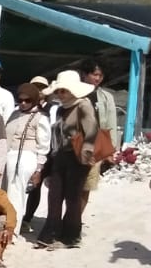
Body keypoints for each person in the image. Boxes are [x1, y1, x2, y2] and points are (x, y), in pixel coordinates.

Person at [38, 70, 98, 249]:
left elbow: (91, 130)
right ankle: (50, 233)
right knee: (54, 196)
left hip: (77, 157)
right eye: (58, 91)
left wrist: (86, 153)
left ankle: (71, 237)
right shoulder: (62, 109)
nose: (60, 94)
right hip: (61, 155)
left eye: (63, 91)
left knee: (72, 197)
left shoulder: (83, 105)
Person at [2, 83, 51, 232]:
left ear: (35, 100)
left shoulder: (40, 118)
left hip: (25, 157)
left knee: (16, 194)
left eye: (27, 100)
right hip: (7, 156)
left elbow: (44, 145)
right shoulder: (14, 114)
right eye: (20, 100)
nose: (23, 103)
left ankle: (12, 229)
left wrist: (38, 169)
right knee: (4, 192)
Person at [79, 58, 118, 216]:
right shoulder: (75, 93)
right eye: (94, 74)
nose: (97, 78)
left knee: (86, 186)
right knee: (70, 187)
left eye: (100, 75)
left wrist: (109, 150)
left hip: (95, 149)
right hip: (75, 146)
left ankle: (75, 221)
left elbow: (110, 125)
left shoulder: (106, 97)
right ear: (84, 74)